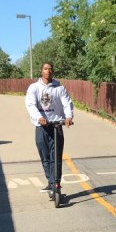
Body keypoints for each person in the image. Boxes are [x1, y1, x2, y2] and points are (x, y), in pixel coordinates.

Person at [25, 62, 74, 199]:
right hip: (41, 127)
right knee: (45, 158)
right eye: (46, 69)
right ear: (41, 71)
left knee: (56, 158)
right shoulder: (34, 88)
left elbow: (67, 103)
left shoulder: (59, 88)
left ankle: (55, 184)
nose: (48, 71)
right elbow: (30, 104)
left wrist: (69, 116)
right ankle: (50, 181)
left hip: (56, 126)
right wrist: (39, 117)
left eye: (50, 69)